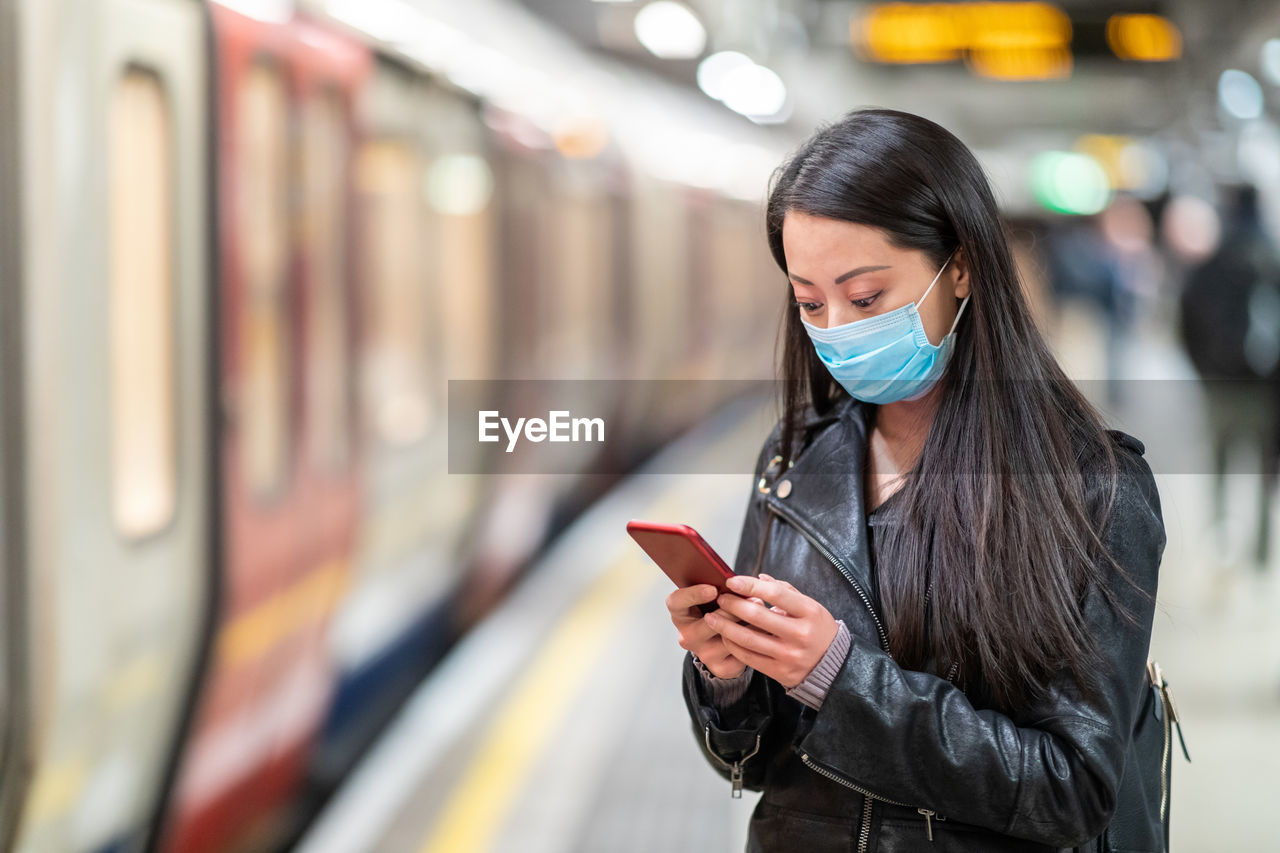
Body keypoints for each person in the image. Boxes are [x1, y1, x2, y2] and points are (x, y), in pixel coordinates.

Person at [665, 108, 1169, 852]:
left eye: (865, 297)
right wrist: (728, 677)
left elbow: (1072, 789)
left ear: (961, 265)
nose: (835, 326)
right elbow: (755, 763)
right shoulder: (794, 462)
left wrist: (840, 678)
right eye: (809, 302)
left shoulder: (1092, 488)